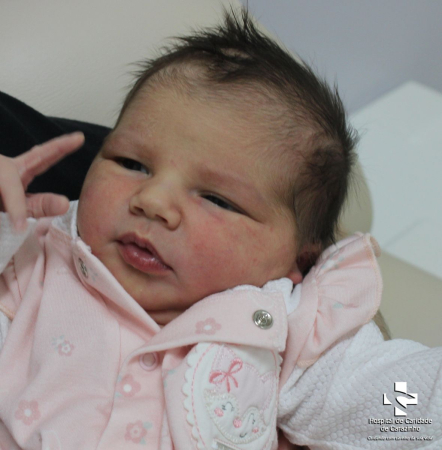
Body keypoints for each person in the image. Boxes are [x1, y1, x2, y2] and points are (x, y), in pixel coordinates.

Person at [0, 9, 440, 450]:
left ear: (298, 259)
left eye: (216, 199)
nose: (152, 201)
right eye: (131, 164)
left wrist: (407, 410)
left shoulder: (286, 331)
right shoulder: (34, 262)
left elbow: (407, 404)